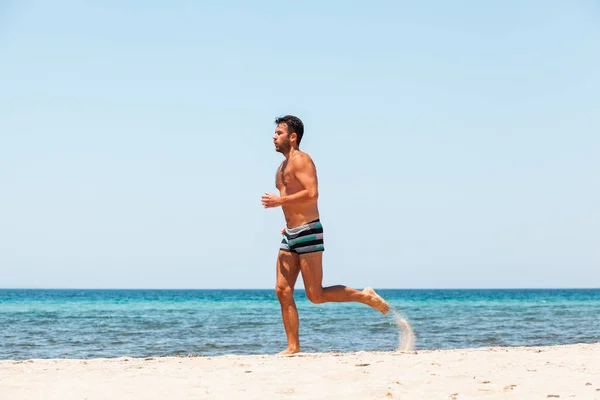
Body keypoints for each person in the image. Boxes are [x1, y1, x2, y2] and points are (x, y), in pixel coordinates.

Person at [261, 115, 390, 355]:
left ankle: (365, 296)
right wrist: (287, 219)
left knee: (316, 295)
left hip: (309, 231)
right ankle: (293, 347)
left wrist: (280, 201)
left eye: (279, 133)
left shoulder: (302, 160)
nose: (273, 137)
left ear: (292, 137)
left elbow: (312, 193)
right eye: (274, 133)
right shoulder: (280, 168)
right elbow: (295, 200)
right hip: (290, 233)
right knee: (282, 289)